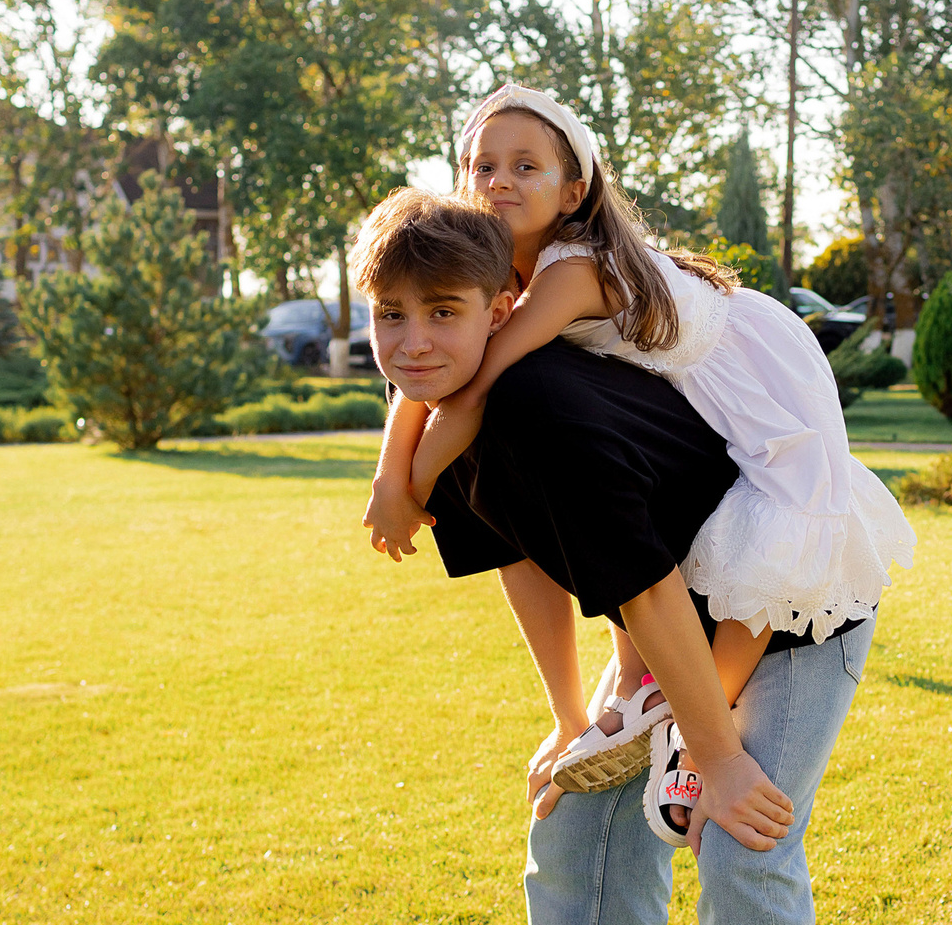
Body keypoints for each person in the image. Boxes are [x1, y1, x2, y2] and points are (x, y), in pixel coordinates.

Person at [353, 185, 874, 925]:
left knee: (743, 852)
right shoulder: (451, 416)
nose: (411, 341)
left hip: (783, 608)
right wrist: (573, 722)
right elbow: (525, 560)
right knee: (576, 830)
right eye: (388, 316)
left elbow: (641, 582)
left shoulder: (535, 396)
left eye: (441, 313)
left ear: (502, 305)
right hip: (668, 626)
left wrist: (717, 756)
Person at [365, 84, 912, 819]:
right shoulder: (494, 279)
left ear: (574, 188)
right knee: (671, 534)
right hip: (668, 401)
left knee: (766, 544)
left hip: (749, 384)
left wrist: (412, 480)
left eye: (525, 166)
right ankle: (648, 693)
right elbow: (436, 375)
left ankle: (701, 739)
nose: (498, 181)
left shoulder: (571, 268)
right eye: (481, 166)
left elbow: (473, 385)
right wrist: (389, 476)